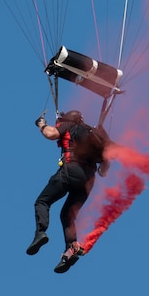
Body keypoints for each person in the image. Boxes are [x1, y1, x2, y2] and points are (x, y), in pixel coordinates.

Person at [26, 109, 111, 273]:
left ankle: (41, 233)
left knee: (42, 201)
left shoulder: (69, 126)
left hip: (71, 170)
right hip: (88, 182)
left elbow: (51, 134)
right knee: (67, 215)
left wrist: (41, 125)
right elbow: (105, 168)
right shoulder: (93, 134)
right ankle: (71, 249)